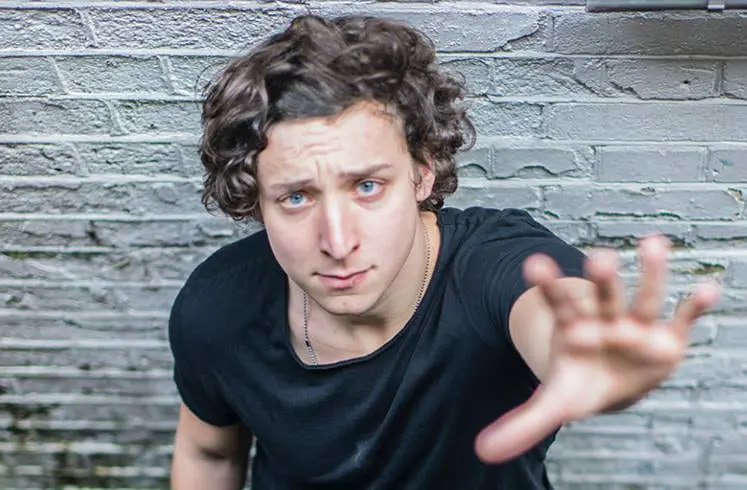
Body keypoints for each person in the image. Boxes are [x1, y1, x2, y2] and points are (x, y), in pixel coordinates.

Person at [167, 14, 720, 490]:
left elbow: (551, 315)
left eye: (367, 186)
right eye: (296, 197)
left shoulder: (491, 269)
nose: (337, 242)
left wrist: (587, 360)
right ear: (257, 202)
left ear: (422, 172)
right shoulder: (218, 305)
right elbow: (209, 454)